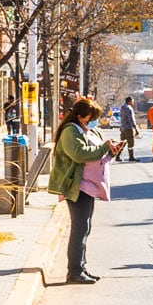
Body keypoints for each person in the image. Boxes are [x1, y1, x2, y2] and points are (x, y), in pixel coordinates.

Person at [48, 96, 122, 284]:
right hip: (77, 185)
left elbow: (98, 153)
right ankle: (74, 272)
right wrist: (104, 147)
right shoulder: (70, 131)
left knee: (85, 228)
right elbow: (80, 154)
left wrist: (111, 151)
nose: (94, 121)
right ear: (81, 116)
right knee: (80, 228)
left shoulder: (89, 130)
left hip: (89, 186)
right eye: (91, 117)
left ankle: (81, 267)